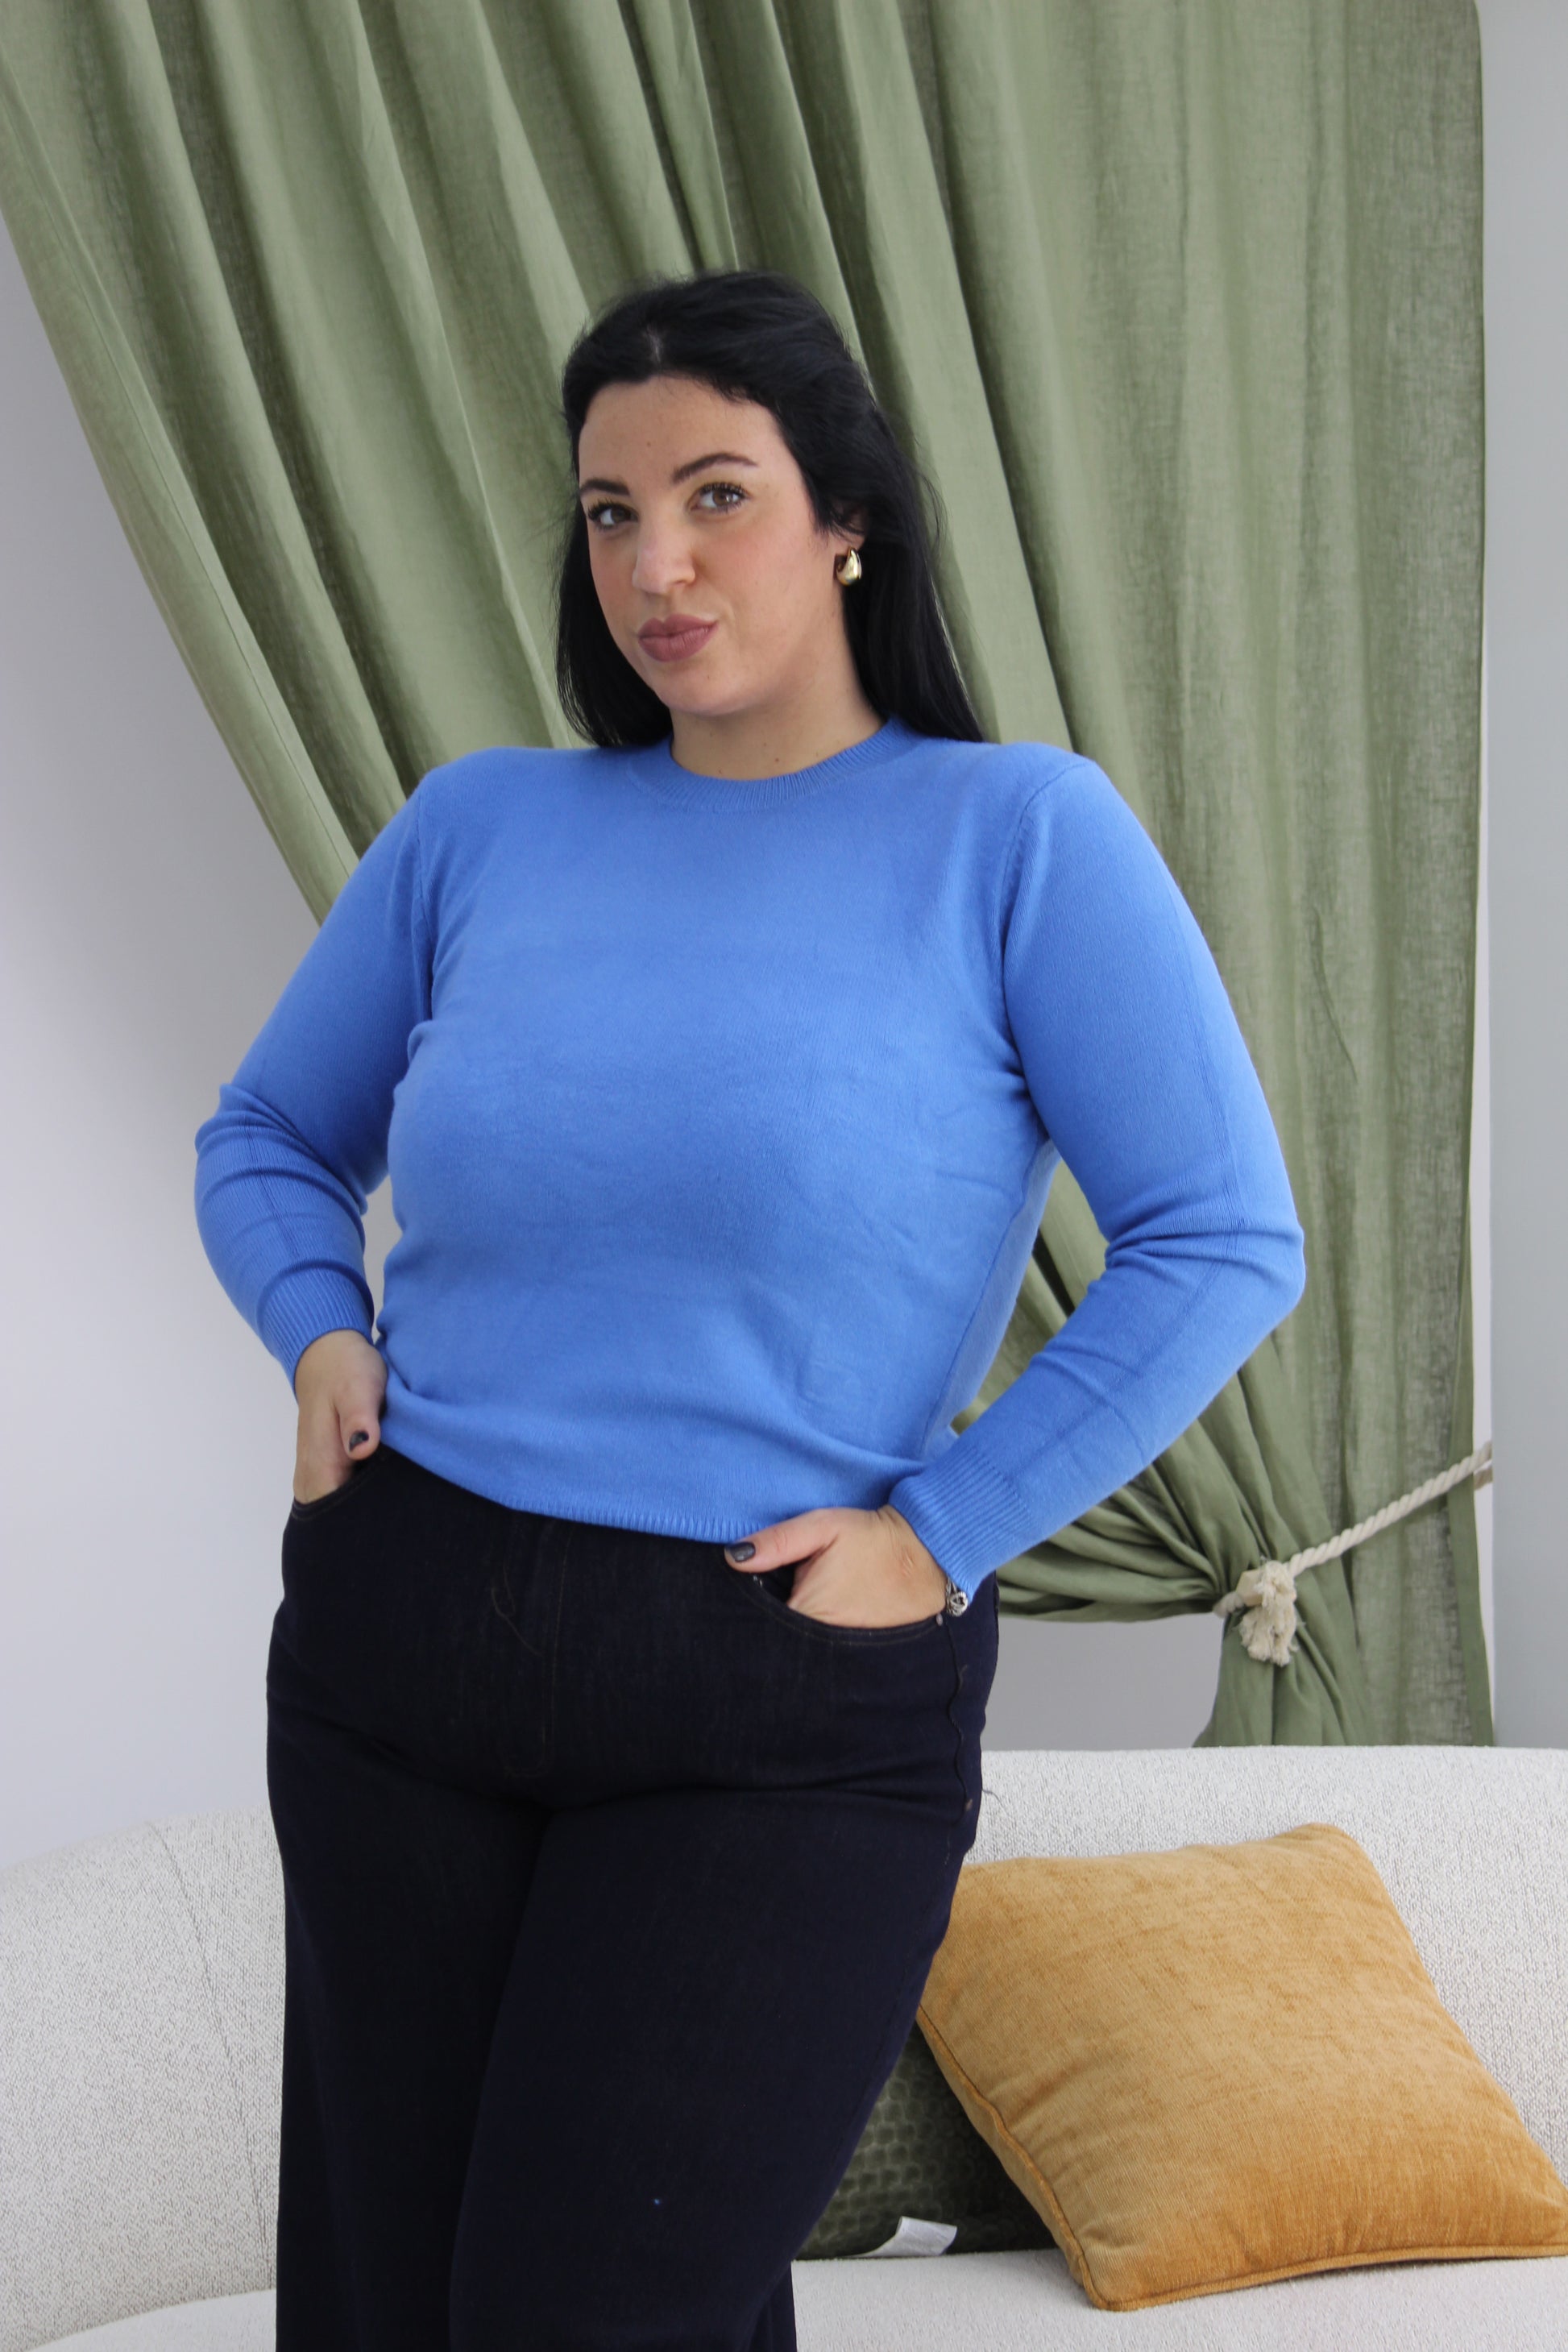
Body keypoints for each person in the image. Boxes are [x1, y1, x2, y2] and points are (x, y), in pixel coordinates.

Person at [193, 265, 1306, 2351]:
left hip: (777, 1686)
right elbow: (266, 1133)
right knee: (385, 2312)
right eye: (611, 513)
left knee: (593, 2309)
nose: (657, 566)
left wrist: (945, 1532)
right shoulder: (484, 824)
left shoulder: (1016, 836)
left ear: (845, 516)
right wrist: (320, 1332)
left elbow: (1223, 1237)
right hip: (404, 1646)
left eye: (717, 496)